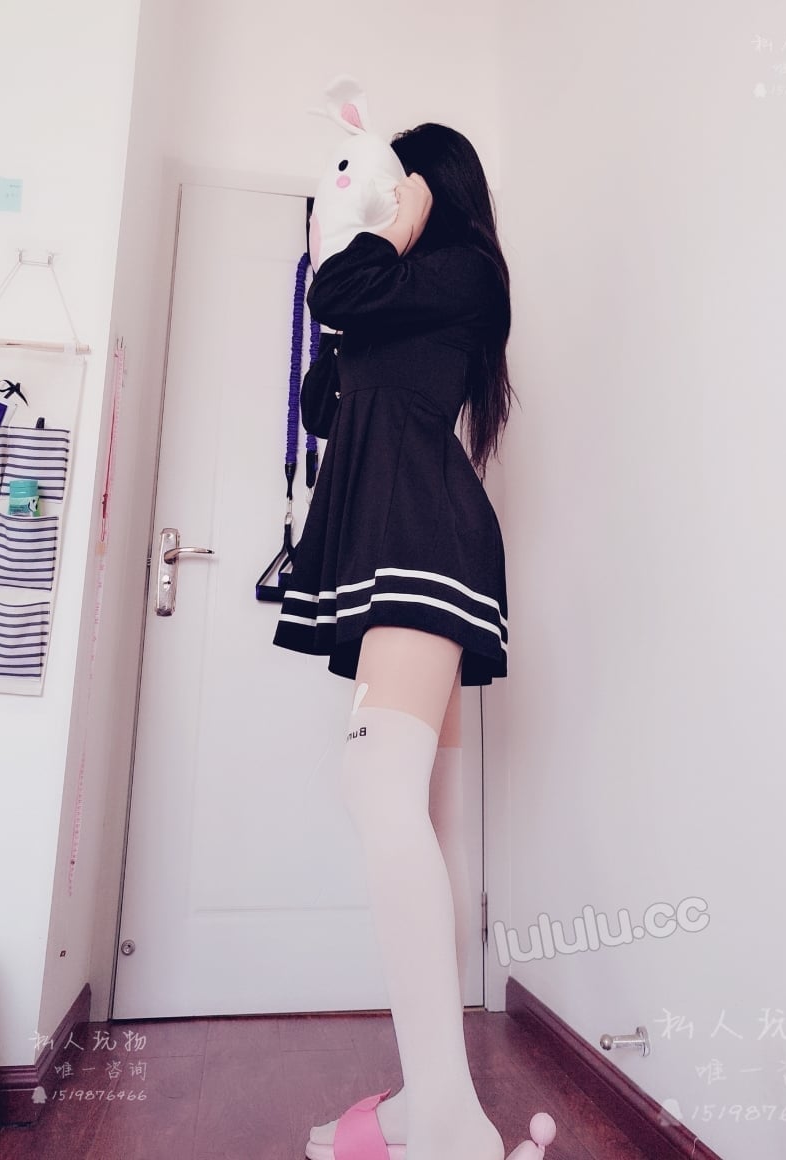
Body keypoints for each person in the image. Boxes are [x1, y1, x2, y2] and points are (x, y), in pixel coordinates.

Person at [273, 123, 554, 1160]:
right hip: (396, 537)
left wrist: (391, 231)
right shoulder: (393, 294)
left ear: (433, 188)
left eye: (402, 182)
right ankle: (431, 1100)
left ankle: (442, 1115)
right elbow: (324, 401)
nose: (385, 195)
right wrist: (353, 245)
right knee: (426, 811)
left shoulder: (463, 272)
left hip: (423, 539)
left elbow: (339, 292)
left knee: (375, 788)